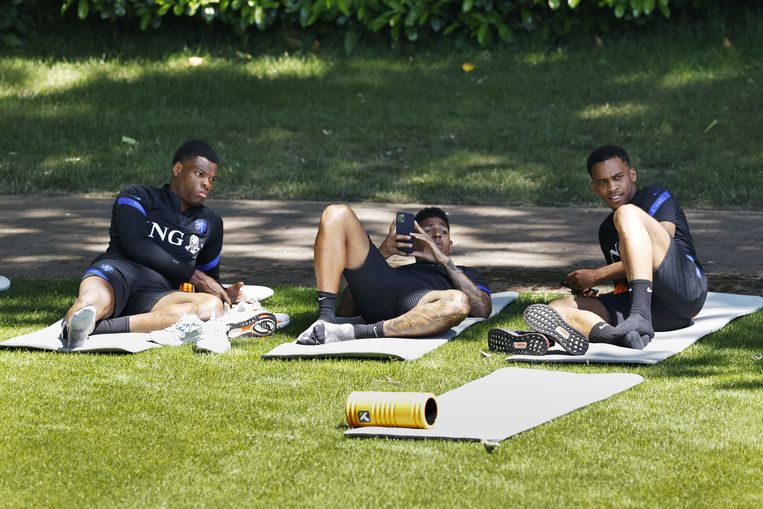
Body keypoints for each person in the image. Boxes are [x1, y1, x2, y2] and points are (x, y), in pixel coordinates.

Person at [62, 140, 274, 348]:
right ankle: (81, 320)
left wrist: (225, 293)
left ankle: (95, 329)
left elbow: (208, 281)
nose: (207, 184)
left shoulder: (212, 223)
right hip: (116, 273)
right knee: (92, 300)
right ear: (177, 169)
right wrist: (194, 276)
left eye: (212, 179)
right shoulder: (137, 196)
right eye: (200, 174)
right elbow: (135, 244)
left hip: (158, 294)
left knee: (211, 306)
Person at [503, 144, 708, 356]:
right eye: (602, 182)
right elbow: (627, 283)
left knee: (626, 213)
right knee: (557, 308)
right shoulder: (606, 231)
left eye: (618, 177)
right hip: (659, 312)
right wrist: (596, 295)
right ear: (594, 188)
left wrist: (597, 275)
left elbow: (660, 248)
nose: (612, 187)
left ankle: (639, 317)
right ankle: (619, 337)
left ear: (632, 175)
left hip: (687, 290)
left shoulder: (655, 195)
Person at [297, 205, 492, 344]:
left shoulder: (464, 273)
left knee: (458, 302)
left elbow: (482, 309)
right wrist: (383, 253)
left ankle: (352, 333)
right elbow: (347, 309)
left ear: (451, 245)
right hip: (385, 285)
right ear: (413, 240)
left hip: (421, 302)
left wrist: (444, 261)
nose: (436, 234)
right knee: (336, 212)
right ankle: (324, 321)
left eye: (443, 231)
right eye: (426, 231)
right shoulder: (395, 265)